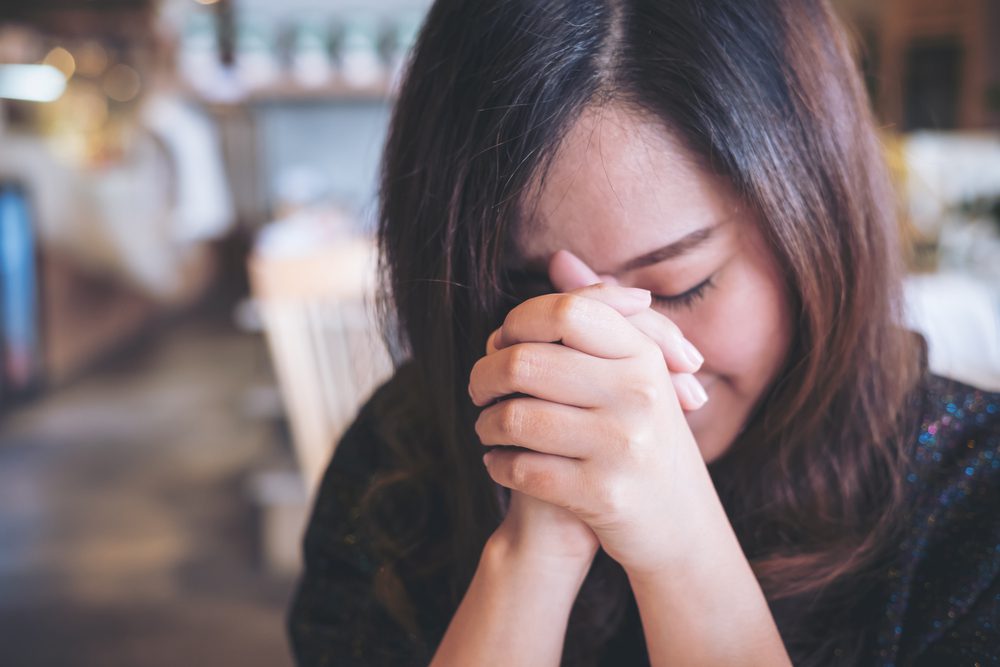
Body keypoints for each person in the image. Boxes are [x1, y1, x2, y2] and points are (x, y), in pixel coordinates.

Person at [288, 1, 1000, 665]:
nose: (618, 363)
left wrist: (683, 552)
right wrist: (530, 557)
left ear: (818, 222)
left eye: (680, 285)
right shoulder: (396, 458)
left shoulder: (972, 508)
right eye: (530, 293)